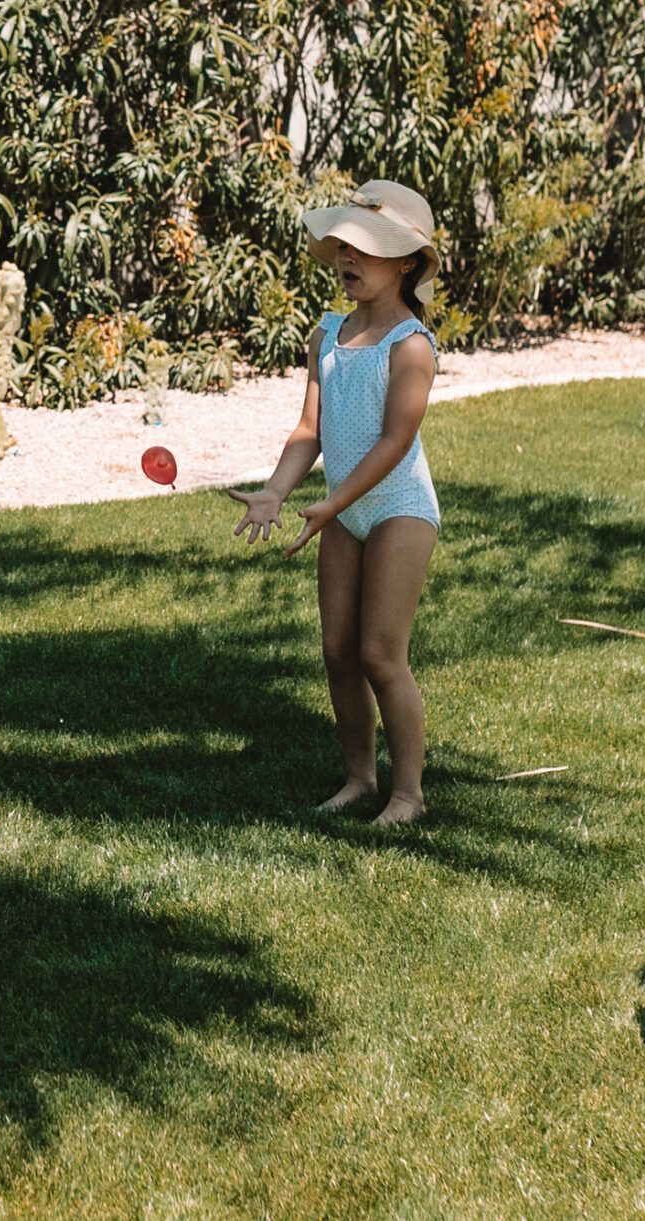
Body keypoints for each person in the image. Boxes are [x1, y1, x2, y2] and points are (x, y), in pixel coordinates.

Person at [230, 179, 443, 826]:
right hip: (341, 510)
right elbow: (310, 432)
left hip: (398, 506)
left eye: (369, 248)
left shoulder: (410, 345)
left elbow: (394, 442)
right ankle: (359, 776)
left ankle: (408, 792)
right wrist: (276, 489)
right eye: (345, 244)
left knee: (381, 653)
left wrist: (332, 506)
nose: (350, 258)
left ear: (407, 261)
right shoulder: (327, 334)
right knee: (337, 652)